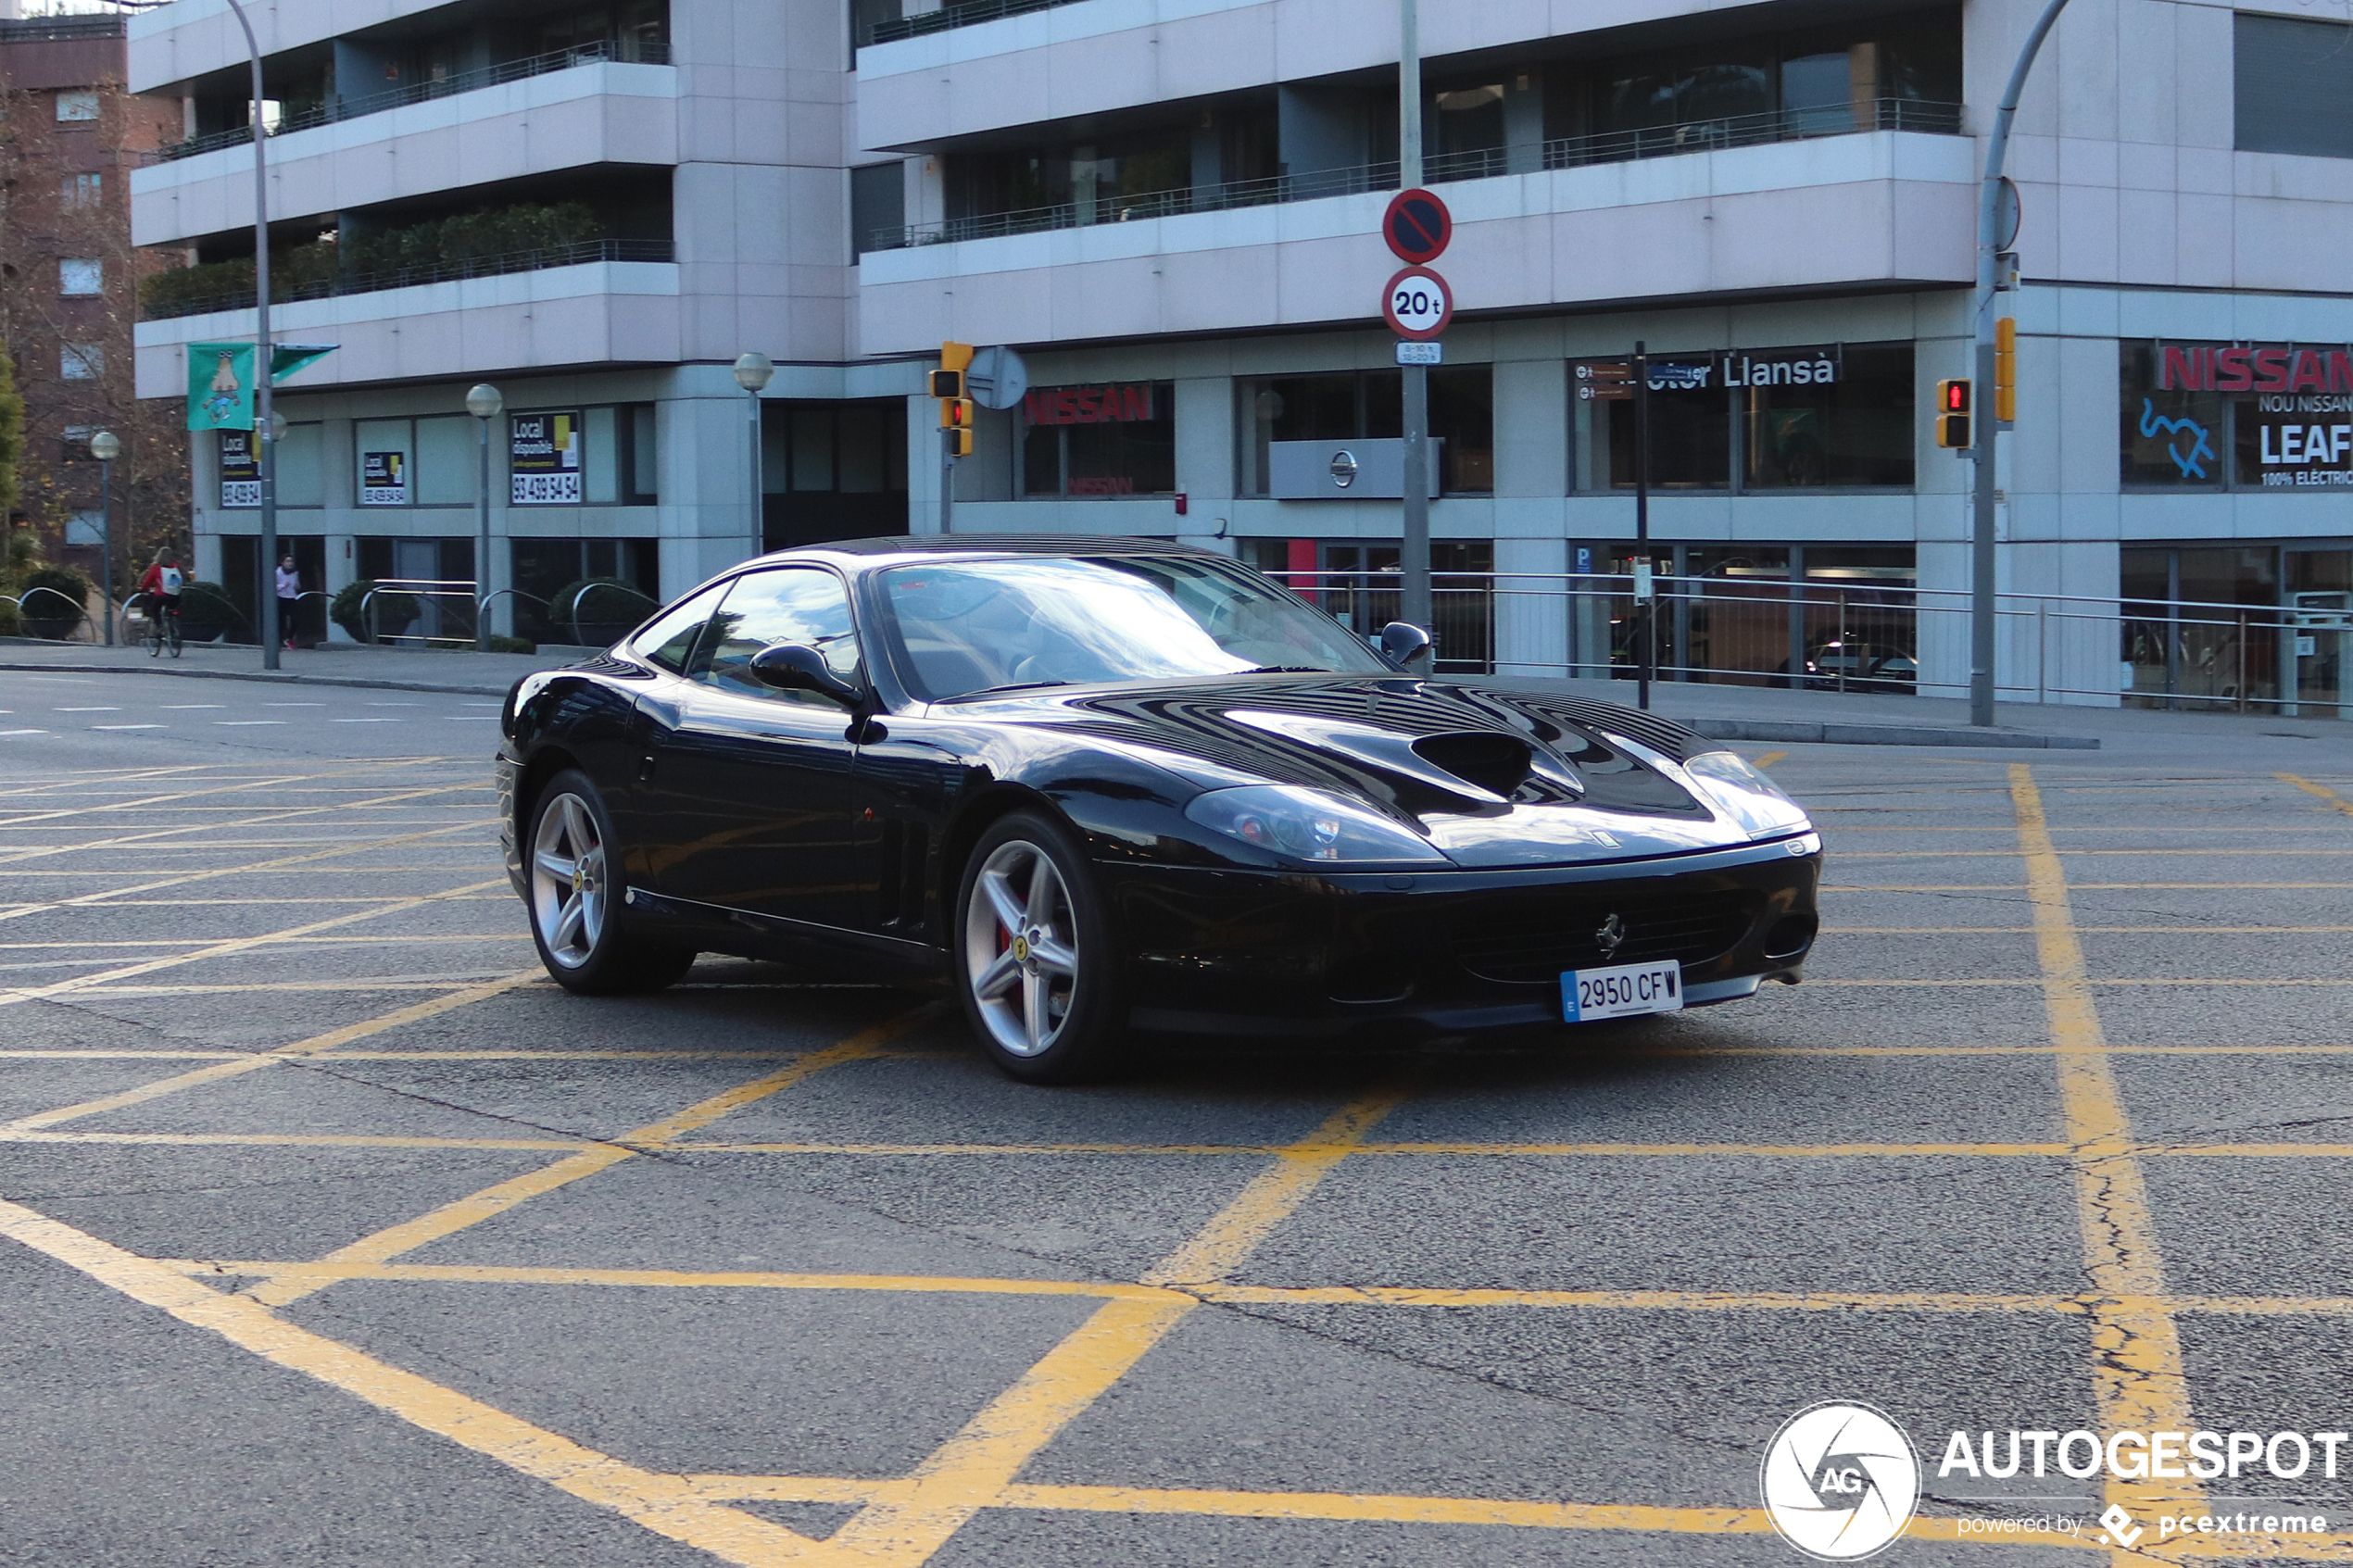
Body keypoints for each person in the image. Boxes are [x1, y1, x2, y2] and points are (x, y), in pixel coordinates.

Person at [137, 549, 185, 636]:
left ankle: (160, 627)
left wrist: (142, 588)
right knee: (171, 611)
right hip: (176, 596)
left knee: (154, 610)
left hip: (161, 596)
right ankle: (173, 629)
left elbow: (148, 581)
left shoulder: (156, 567)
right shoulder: (176, 566)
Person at [275, 554, 301, 649]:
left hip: (292, 598)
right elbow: (273, 587)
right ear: (282, 563)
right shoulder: (277, 573)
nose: (290, 563)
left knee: (295, 620)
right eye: (287, 561)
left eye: (291, 561)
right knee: (281, 620)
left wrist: (297, 586)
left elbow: (297, 584)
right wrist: (283, 586)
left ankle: (289, 638)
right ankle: (279, 641)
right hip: (281, 598)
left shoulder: (295, 573)